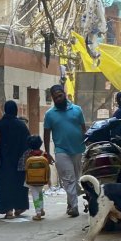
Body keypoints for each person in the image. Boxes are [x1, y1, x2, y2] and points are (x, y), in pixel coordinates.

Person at [43, 84, 87, 217]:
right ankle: (74, 207)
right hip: (61, 150)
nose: (58, 99)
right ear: (52, 98)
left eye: (60, 96)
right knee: (69, 179)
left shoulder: (77, 110)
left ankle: (70, 203)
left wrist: (88, 145)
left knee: (76, 179)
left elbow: (83, 128)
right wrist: (47, 152)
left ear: (64, 94)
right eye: (55, 97)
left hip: (79, 149)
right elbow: (46, 134)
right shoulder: (49, 114)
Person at [0, 100, 31, 219]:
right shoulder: (21, 125)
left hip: (4, 161)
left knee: (5, 184)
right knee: (19, 184)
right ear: (15, 110)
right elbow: (28, 142)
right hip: (19, 161)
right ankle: (19, 207)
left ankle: (8, 210)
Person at [21, 135, 54, 220]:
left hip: (31, 179)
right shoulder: (44, 154)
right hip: (42, 179)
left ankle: (38, 213)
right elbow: (48, 167)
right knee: (39, 193)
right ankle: (41, 209)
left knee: (35, 194)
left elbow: (24, 166)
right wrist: (49, 179)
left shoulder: (27, 154)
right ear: (40, 143)